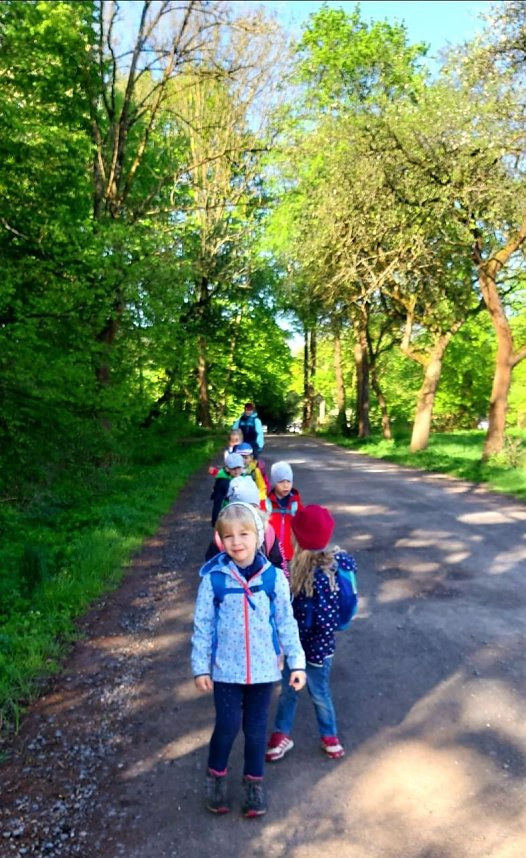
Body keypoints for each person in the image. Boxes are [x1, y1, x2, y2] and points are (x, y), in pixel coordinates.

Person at [192, 502, 306, 817]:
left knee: (256, 731)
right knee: (227, 727)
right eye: (228, 536)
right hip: (226, 672)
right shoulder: (213, 579)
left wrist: (297, 661)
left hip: (265, 671)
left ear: (259, 536)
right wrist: (200, 666)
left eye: (244, 534)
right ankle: (215, 779)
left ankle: (253, 786)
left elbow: (286, 621)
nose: (237, 542)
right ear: (220, 541)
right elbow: (203, 626)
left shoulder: (273, 579)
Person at [266, 505, 356, 763]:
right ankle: (282, 734)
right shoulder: (297, 569)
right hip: (303, 649)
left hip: (314, 651)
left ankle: (330, 735)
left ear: (299, 538)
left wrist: (290, 646)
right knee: (289, 692)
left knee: (318, 693)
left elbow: (317, 621)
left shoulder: (321, 576)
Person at [205, 476, 284, 569]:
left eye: (252, 507)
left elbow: (278, 562)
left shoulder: (267, 531)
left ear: (257, 507)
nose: (248, 515)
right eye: (243, 510)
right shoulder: (221, 535)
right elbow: (211, 565)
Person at [264, 461, 303, 569]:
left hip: (291, 554)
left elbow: (303, 526)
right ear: (274, 483)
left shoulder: (295, 503)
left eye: (288, 481)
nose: (286, 485)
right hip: (271, 554)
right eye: (281, 482)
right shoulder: (267, 503)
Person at [210, 452, 244, 526]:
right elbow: (218, 502)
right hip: (227, 513)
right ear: (227, 469)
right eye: (234, 468)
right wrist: (215, 521)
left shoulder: (243, 477)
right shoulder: (224, 483)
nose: (237, 471)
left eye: (239, 467)